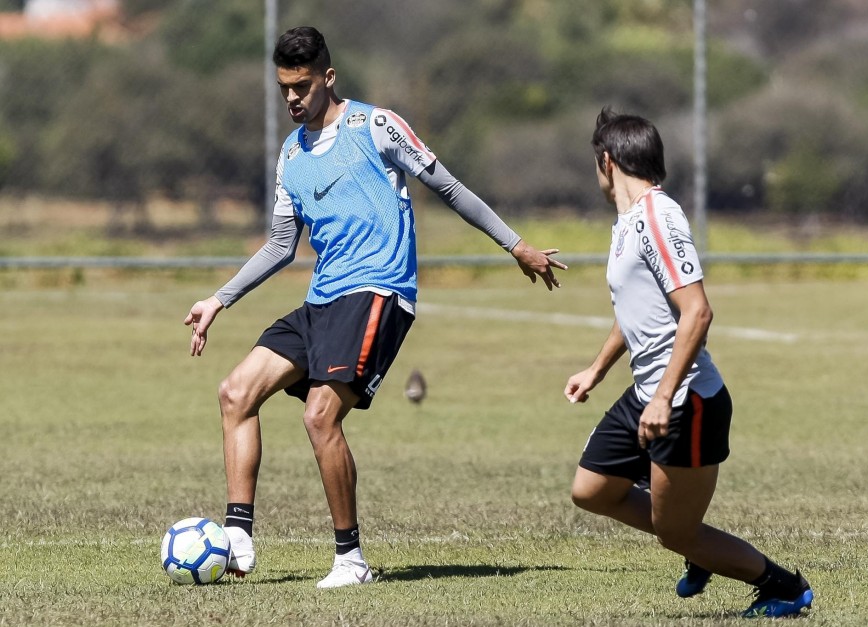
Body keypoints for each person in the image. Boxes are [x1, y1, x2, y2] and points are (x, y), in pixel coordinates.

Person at [184, 26, 566, 589]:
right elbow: (279, 246)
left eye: (302, 86)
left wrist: (517, 245)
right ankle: (238, 537)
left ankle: (351, 561)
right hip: (322, 299)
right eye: (284, 88)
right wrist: (219, 300)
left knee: (319, 416)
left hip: (379, 291)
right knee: (235, 393)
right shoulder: (291, 156)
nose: (292, 98)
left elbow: (452, 188)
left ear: (328, 78)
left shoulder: (376, 127)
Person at [563, 108, 813, 618]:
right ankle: (696, 545)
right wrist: (597, 369)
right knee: (590, 489)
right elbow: (638, 310)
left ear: (606, 162)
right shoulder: (627, 223)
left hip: (686, 400)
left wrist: (661, 397)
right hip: (650, 393)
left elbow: (697, 312)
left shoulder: (658, 217)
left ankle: (783, 586)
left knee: (676, 532)